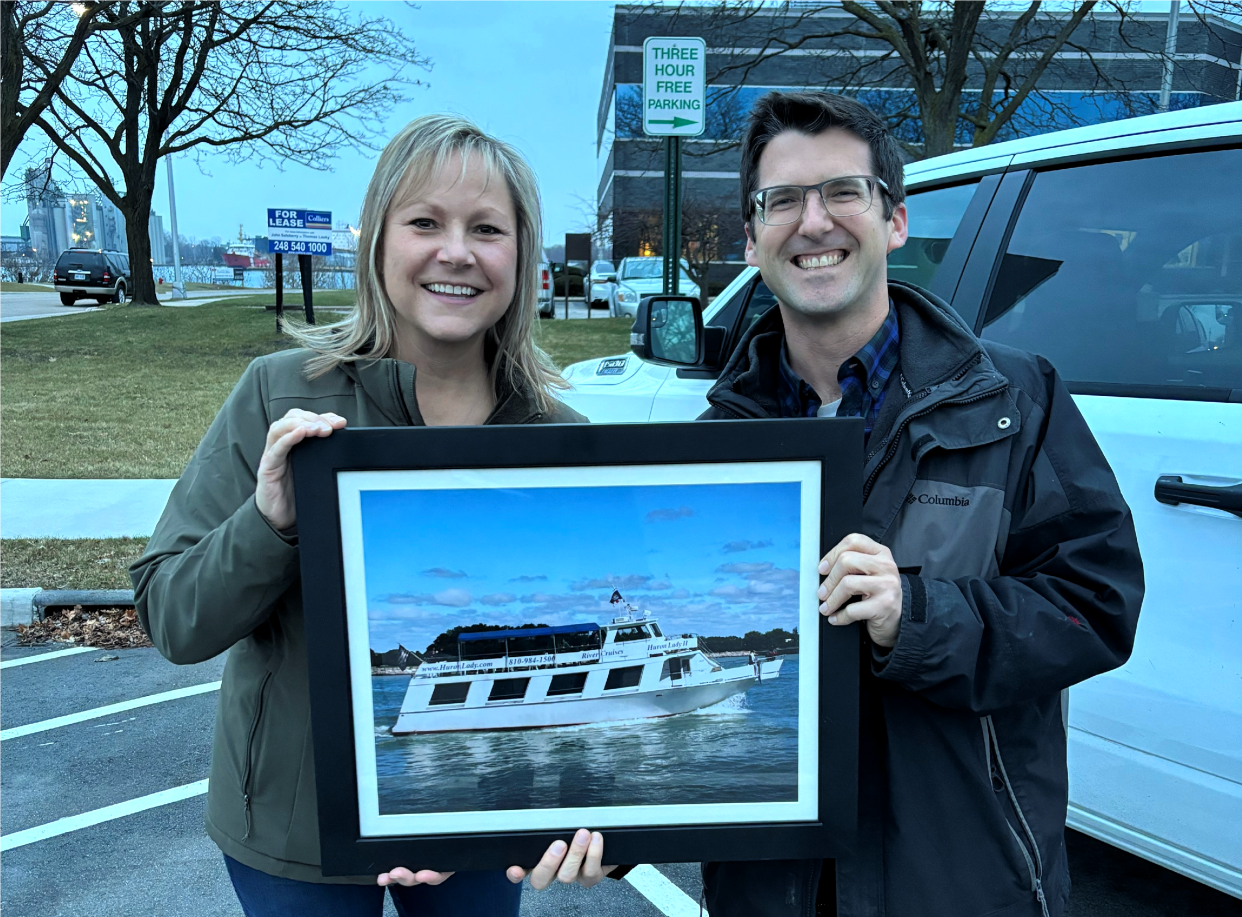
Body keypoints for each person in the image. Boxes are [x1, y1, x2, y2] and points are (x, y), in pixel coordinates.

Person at [130, 114, 614, 917]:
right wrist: (270, 521)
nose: (455, 252)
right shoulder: (277, 395)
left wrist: (595, 818)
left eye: (487, 229)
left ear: (522, 259)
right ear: (378, 243)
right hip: (295, 838)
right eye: (424, 221)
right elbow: (173, 619)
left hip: (486, 826)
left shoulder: (561, 442)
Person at [698, 92, 1144, 917]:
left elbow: (1098, 603)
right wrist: (604, 828)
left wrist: (919, 613)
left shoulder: (1018, 399)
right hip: (771, 889)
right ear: (753, 236)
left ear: (895, 220)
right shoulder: (713, 444)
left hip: (960, 881)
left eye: (843, 192)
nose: (814, 221)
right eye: (782, 200)